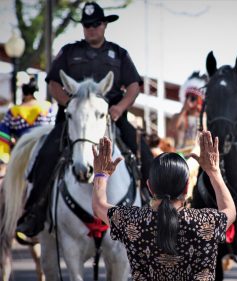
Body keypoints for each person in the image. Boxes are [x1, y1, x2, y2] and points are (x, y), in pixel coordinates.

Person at [16, 1, 153, 238]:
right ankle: (34, 212)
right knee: (46, 155)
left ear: (104, 25)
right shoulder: (69, 51)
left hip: (112, 118)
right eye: (87, 25)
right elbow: (53, 83)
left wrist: (120, 107)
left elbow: (133, 85)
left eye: (96, 24)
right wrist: (69, 104)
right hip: (73, 121)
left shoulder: (119, 54)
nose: (91, 29)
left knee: (146, 155)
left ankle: (155, 212)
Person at [92, 131, 236, 281]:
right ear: (187, 188)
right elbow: (230, 211)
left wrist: (101, 175)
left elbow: (98, 206)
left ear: (150, 187)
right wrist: (214, 172)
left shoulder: (132, 221)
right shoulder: (206, 222)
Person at [0, 77, 55, 164]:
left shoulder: (14, 111)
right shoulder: (47, 107)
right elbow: (53, 129)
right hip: (43, 152)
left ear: (24, 93)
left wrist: (4, 155)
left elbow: (3, 133)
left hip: (21, 152)